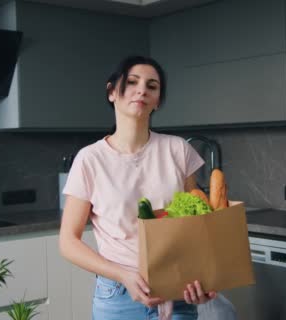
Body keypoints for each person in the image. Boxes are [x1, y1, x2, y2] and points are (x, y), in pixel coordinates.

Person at [59, 56, 217, 320]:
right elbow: (68, 242)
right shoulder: (90, 159)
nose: (142, 90)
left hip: (176, 291)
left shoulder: (178, 150)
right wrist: (123, 275)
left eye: (152, 86)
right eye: (132, 82)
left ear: (157, 101)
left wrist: (205, 277)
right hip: (118, 295)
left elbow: (197, 227)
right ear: (112, 92)